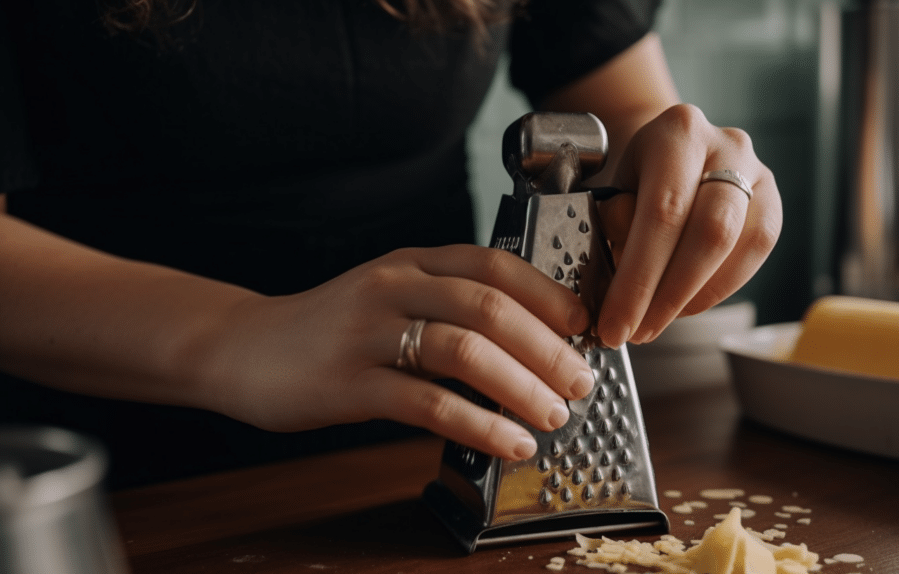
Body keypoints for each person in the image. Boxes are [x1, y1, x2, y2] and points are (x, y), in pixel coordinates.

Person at [0, 0, 782, 488]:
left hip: (428, 455)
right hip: (93, 475)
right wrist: (232, 335)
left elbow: (613, 108)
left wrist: (677, 164)